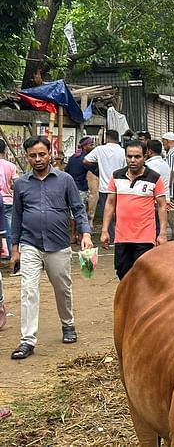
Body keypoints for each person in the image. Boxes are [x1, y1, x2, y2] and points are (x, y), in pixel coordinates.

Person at [10, 136, 93, 360]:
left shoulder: (65, 180)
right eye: (32, 155)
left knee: (62, 288)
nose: (37, 159)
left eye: (41, 154)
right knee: (28, 291)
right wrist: (15, 248)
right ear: (26, 157)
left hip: (58, 245)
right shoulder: (21, 184)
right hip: (30, 244)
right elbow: (16, 217)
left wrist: (85, 233)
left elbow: (78, 209)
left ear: (50, 153)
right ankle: (27, 340)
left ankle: (68, 324)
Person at [100, 140, 168, 280]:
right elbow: (110, 203)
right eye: (129, 156)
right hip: (122, 237)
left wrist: (162, 234)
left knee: (143, 276)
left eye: (137, 157)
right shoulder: (116, 176)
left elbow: (162, 206)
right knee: (122, 274)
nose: (133, 160)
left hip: (145, 238)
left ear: (145, 157)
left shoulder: (155, 178)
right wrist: (105, 231)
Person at [83, 129, 125, 244]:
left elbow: (85, 161)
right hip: (120, 187)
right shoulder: (122, 152)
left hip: (104, 187)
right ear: (117, 139)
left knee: (107, 214)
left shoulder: (100, 149)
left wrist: (97, 168)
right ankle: (120, 236)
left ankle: (110, 236)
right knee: (120, 213)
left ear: (107, 138)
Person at [65, 136, 94, 244]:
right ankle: (81, 236)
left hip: (72, 188)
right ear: (85, 146)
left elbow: (67, 170)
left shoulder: (73, 157)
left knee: (73, 213)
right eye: (90, 145)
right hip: (81, 187)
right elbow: (92, 169)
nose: (92, 146)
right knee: (81, 212)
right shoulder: (86, 158)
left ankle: (73, 235)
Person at [144, 140, 171, 238]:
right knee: (159, 230)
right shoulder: (165, 164)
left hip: (154, 202)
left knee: (153, 231)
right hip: (165, 200)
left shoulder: (150, 166)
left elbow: (150, 185)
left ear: (149, 152)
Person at [0, 140, 17, 258]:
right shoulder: (11, 166)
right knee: (10, 231)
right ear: (5, 150)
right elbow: (17, 185)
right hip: (7, 201)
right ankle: (14, 258)